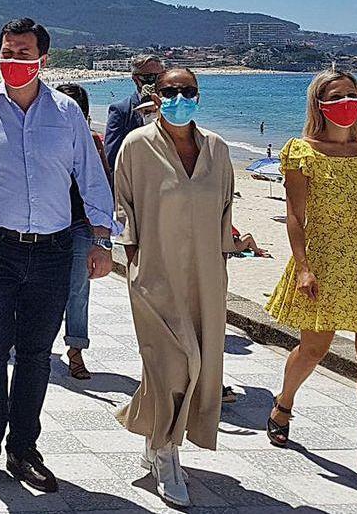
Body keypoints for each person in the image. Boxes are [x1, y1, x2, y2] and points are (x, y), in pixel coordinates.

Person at [0, 18, 114, 495]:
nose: (12, 61)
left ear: (43, 59)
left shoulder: (67, 114)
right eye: (6, 52)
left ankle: (24, 449)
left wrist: (102, 239)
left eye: (22, 53)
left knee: (38, 355)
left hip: (53, 250)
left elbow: (91, 177)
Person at [264, 69, 357, 496]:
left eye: (352, 95)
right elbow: (295, 215)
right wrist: (302, 266)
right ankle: (283, 403)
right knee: (315, 348)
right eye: (337, 96)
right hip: (322, 263)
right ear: (319, 105)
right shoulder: (301, 152)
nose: (346, 103)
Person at [111, 68, 234, 507]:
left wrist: (224, 258)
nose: (179, 97)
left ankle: (149, 429)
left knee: (199, 363)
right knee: (171, 365)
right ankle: (167, 454)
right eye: (170, 91)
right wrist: (133, 262)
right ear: (154, 96)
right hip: (155, 273)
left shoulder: (217, 149)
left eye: (187, 91)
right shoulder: (136, 146)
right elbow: (122, 207)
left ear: (199, 97)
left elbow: (224, 212)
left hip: (205, 274)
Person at [54, 83, 113, 381]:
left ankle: (76, 348)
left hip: (79, 222)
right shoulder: (44, 137)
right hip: (48, 221)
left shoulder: (92, 141)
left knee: (78, 286)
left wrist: (103, 237)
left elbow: (102, 185)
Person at [104, 54, 165, 167]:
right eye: (150, 77)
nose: (155, 81)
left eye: (160, 77)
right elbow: (112, 155)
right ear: (136, 79)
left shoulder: (171, 107)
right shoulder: (121, 110)